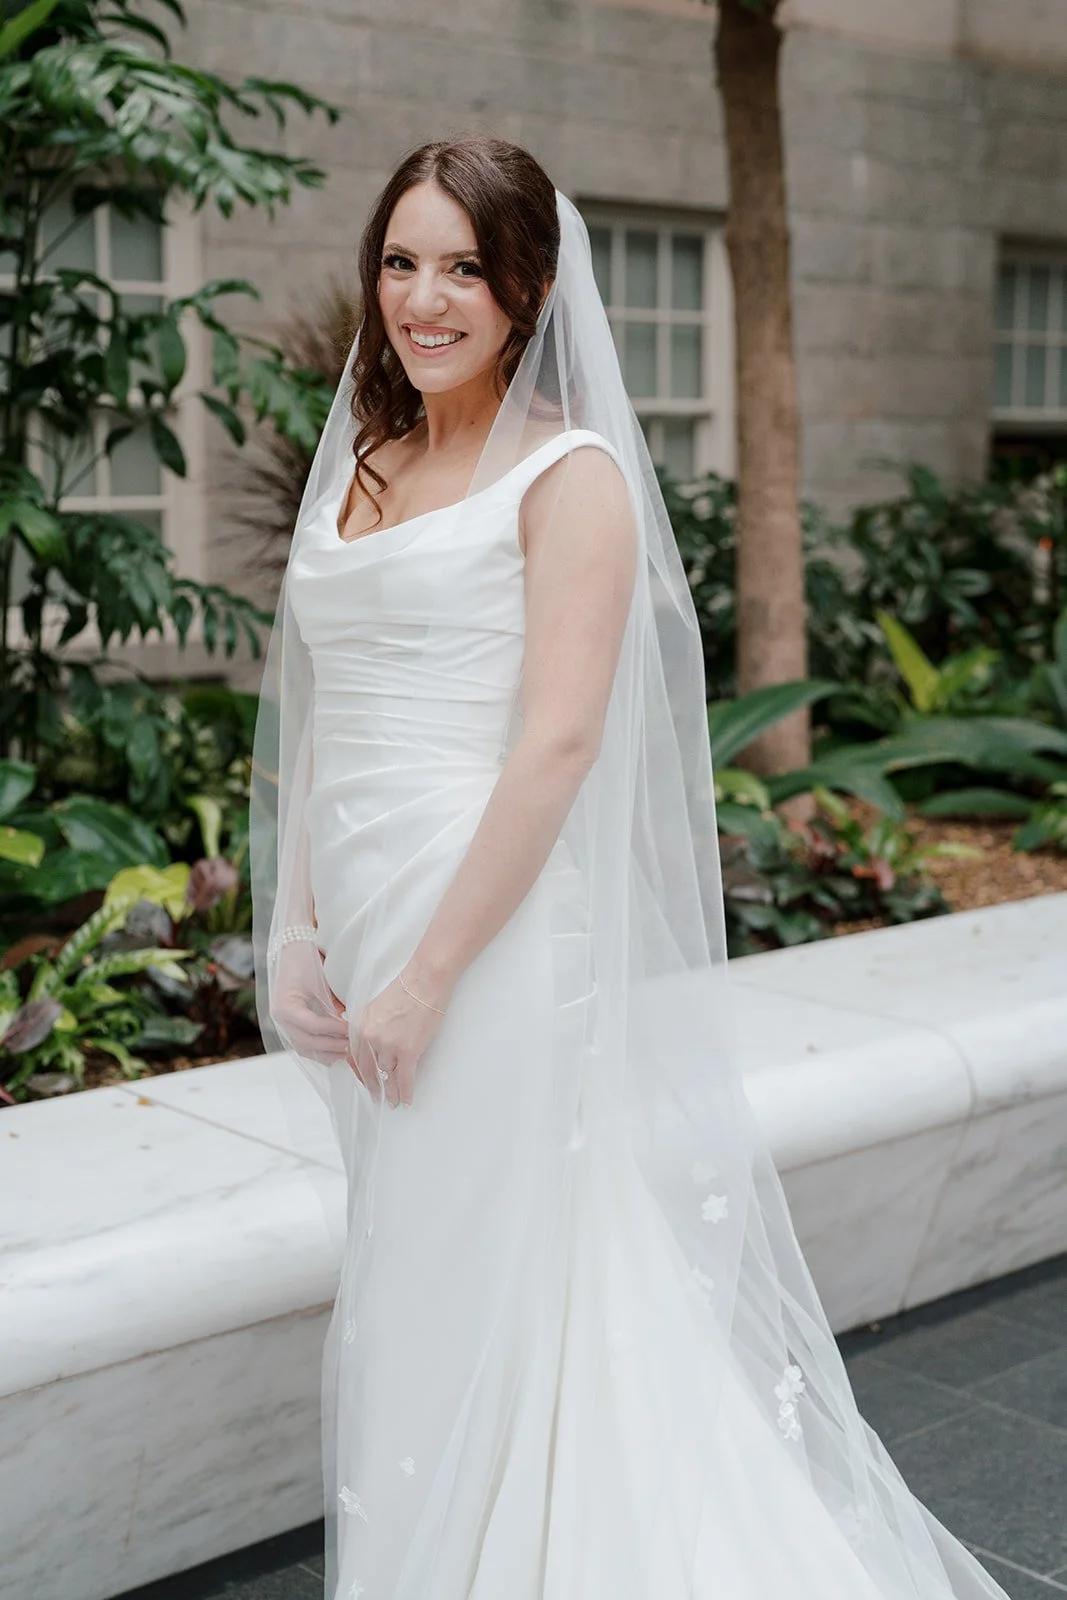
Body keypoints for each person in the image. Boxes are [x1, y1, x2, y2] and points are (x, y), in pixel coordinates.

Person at [251, 135, 1012, 1600]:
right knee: (420, 1279)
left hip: (491, 937)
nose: (425, 297)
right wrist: (292, 930)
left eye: (463, 266)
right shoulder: (369, 458)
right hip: (369, 918)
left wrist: (420, 979)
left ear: (528, 287)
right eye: (401, 261)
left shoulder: (569, 475)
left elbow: (555, 751)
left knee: (503, 1269)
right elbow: (324, 700)